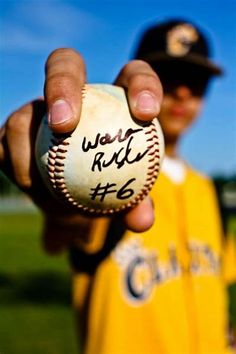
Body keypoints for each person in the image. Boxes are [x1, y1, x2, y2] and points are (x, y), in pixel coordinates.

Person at [0, 18, 235, 354]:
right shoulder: (110, 190)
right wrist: (62, 204)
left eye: (197, 82)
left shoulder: (209, 190)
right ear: (145, 83)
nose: (183, 91)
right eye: (169, 78)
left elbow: (214, 293)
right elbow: (64, 232)